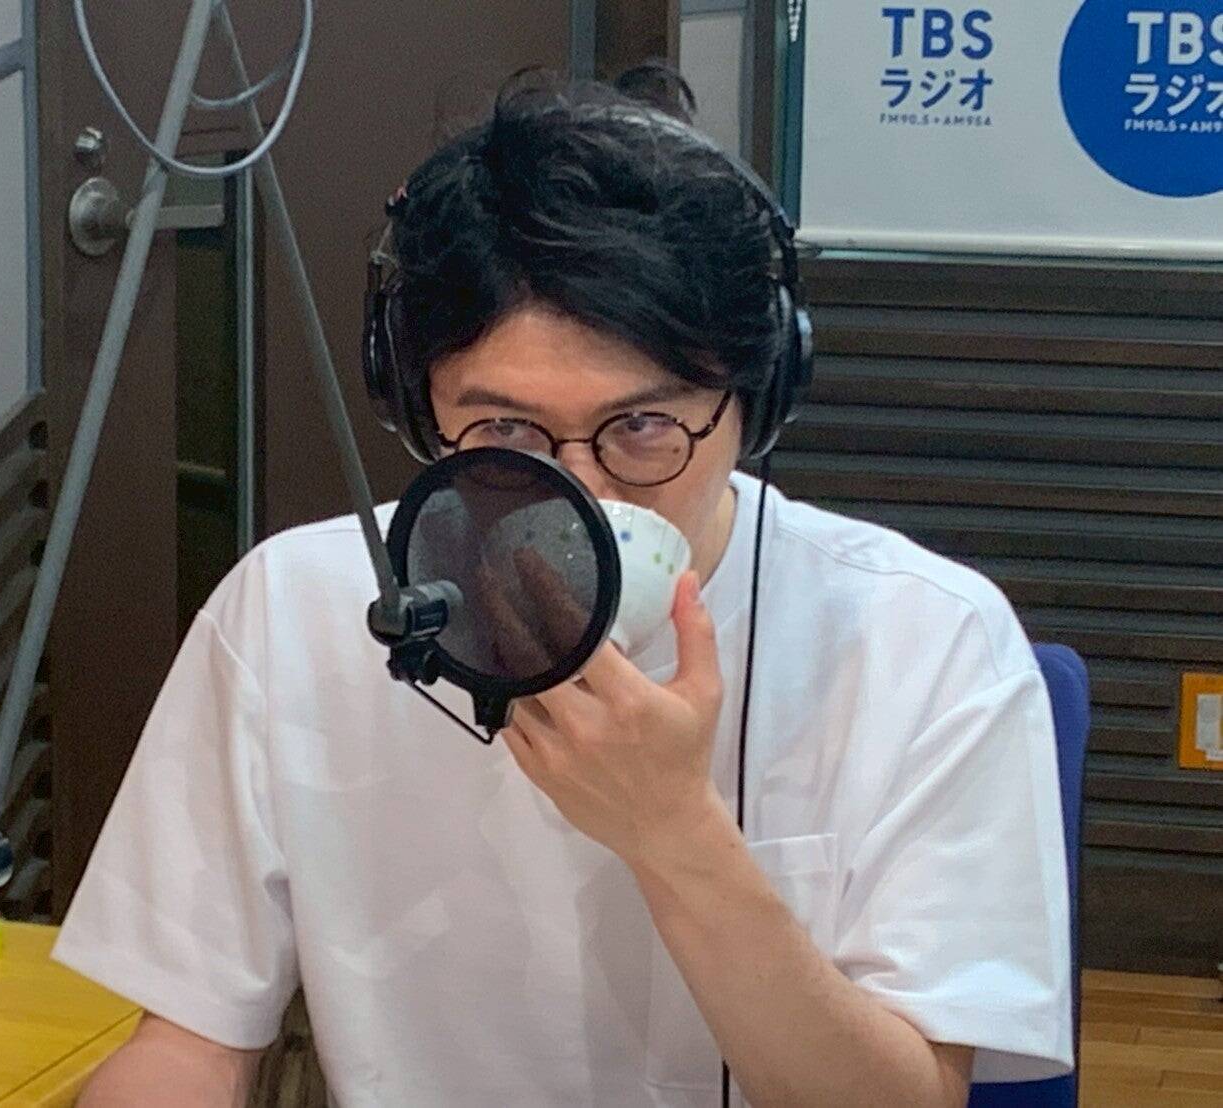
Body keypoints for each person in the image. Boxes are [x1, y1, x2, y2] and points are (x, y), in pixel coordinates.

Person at [54, 65, 1073, 1107]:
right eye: (505, 430)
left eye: (643, 427)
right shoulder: (293, 611)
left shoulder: (924, 642)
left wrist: (672, 833)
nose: (577, 497)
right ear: (419, 409)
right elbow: (189, 1041)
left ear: (753, 407)